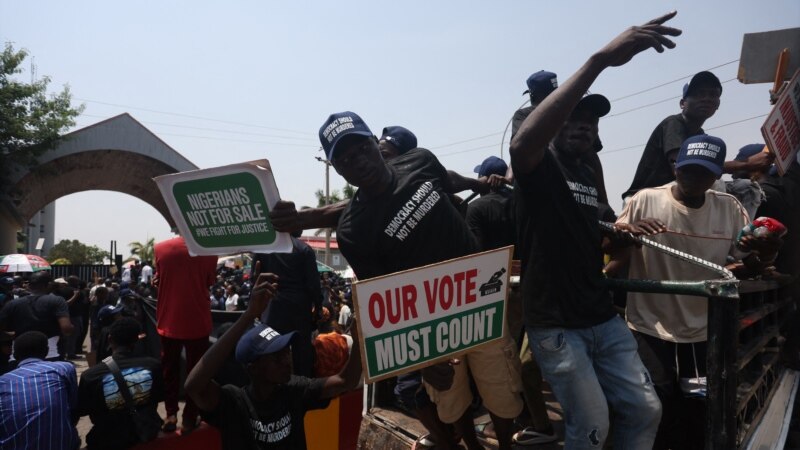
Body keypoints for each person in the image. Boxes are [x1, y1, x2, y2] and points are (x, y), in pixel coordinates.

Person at [508, 12, 682, 449]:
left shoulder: (589, 169)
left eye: (592, 119)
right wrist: (599, 60)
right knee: (591, 425)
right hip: (556, 322)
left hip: (600, 315)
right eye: (572, 117)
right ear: (553, 124)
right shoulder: (539, 167)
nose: (584, 124)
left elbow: (599, 226)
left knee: (646, 410)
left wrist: (622, 231)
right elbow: (522, 145)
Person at [311, 111, 524, 450]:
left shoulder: (420, 161)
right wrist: (421, 362)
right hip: (430, 324)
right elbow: (381, 300)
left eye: (363, 149)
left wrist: (478, 183)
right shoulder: (352, 231)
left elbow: (448, 180)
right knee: (450, 401)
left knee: (501, 390)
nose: (359, 161)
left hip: (479, 297)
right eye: (346, 159)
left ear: (374, 145)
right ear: (338, 169)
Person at [612, 134, 777, 449]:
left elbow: (751, 265)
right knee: (653, 407)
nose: (693, 179)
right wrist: (626, 233)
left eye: (703, 173)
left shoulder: (730, 208)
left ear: (716, 176)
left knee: (696, 409)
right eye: (687, 170)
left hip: (702, 331)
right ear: (676, 167)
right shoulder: (645, 200)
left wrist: (767, 252)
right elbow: (611, 246)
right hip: (650, 327)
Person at [185, 269, 363, 450]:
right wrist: (248, 315)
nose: (287, 360)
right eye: (277, 357)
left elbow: (345, 381)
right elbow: (194, 386)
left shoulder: (294, 390)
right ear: (253, 368)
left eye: (287, 352)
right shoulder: (234, 403)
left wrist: (359, 340)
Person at [466, 155, 557, 446]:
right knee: (523, 358)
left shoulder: (477, 207)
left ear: (486, 179)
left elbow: (477, 253)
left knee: (501, 361)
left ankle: (502, 423)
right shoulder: (526, 203)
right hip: (532, 286)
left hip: (494, 288)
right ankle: (530, 419)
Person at [622, 71, 775, 202]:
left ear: (718, 104)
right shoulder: (673, 124)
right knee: (745, 189)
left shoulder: (700, 136)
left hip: (673, 196)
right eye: (699, 94)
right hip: (646, 198)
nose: (707, 98)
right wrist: (745, 164)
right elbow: (682, 169)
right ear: (682, 103)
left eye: (713, 95)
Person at [153, 235, 218, 433]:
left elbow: (159, 279)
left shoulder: (160, 248)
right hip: (197, 319)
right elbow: (209, 282)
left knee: (169, 370)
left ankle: (170, 414)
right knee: (197, 373)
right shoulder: (208, 250)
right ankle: (190, 417)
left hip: (169, 318)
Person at [78, 318, 165, 450]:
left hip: (106, 439)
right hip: (145, 432)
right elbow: (159, 395)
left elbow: (83, 409)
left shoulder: (90, 376)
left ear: (110, 339)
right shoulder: (153, 366)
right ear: (137, 339)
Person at [251, 231, 324, 378]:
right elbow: (313, 285)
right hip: (299, 311)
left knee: (272, 354)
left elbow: (255, 280)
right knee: (302, 357)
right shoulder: (304, 249)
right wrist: (318, 307)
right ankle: (301, 393)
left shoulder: (263, 248)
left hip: (272, 310)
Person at [0, 331, 79, 450]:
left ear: (15, 355)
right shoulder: (63, 368)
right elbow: (74, 409)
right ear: (46, 351)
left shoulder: (3, 381)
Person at [0, 271, 74, 360]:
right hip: (49, 355)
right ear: (49, 285)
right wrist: (72, 327)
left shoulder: (13, 304)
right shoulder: (57, 301)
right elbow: (66, 328)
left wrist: (13, 336)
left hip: (18, 356)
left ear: (29, 285)